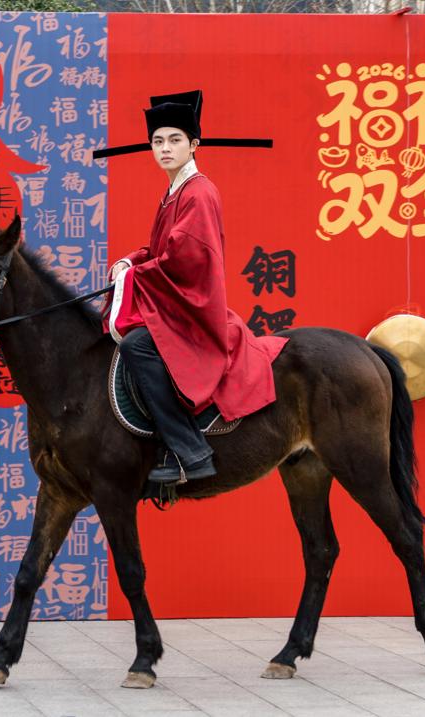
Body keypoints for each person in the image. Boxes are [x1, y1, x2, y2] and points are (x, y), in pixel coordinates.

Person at [103, 90, 288, 485]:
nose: (165, 148)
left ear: (194, 144)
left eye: (175, 140)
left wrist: (135, 276)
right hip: (179, 303)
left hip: (194, 307)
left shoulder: (198, 192)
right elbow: (160, 250)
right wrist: (131, 262)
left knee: (136, 346)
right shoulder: (175, 192)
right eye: (158, 141)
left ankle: (190, 451)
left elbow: (185, 259)